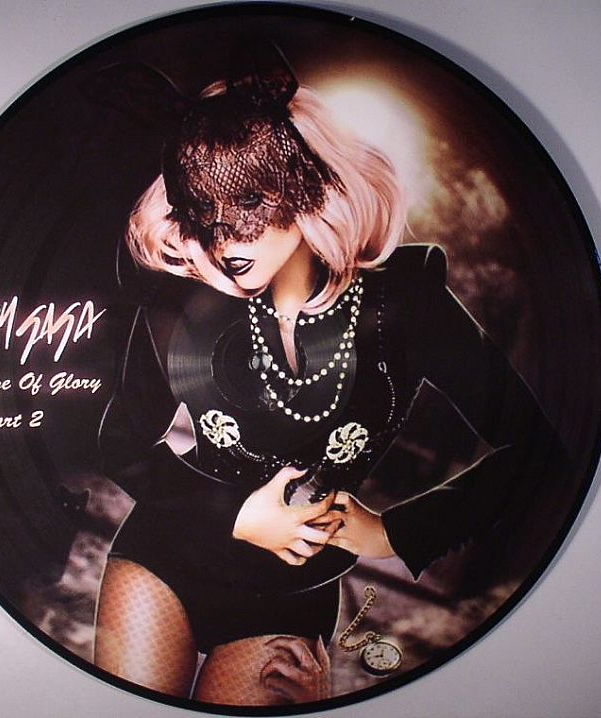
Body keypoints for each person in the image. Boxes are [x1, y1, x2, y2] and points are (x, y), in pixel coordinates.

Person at [90, 47, 566, 706]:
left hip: (292, 592)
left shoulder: (408, 305)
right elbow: (118, 443)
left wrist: (395, 532)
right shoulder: (180, 301)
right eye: (201, 210)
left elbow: (539, 453)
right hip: (165, 554)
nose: (224, 241)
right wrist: (235, 515)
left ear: (306, 184)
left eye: (248, 200)